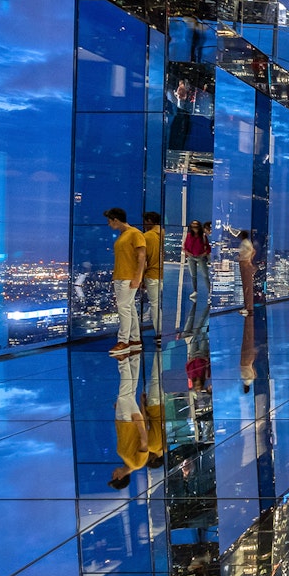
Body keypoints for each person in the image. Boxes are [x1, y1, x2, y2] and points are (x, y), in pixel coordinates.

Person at [105, 208, 146, 356]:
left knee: (123, 308)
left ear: (116, 219)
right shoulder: (123, 235)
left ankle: (123, 341)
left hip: (129, 277)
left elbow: (142, 257)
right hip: (121, 276)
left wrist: (138, 277)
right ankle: (135, 339)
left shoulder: (135, 233)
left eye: (110, 221)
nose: (109, 224)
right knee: (129, 308)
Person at [108, 352, 149, 489]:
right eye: (113, 476)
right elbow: (144, 442)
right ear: (119, 477)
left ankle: (134, 356)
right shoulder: (136, 464)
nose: (113, 473)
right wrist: (139, 424)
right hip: (128, 421)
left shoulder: (127, 460)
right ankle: (123, 359)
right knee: (124, 394)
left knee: (129, 391)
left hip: (126, 421)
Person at [142, 212, 163, 338]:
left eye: (145, 221)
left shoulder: (147, 236)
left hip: (152, 274)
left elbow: (144, 259)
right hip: (166, 275)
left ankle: (159, 333)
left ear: (149, 221)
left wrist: (141, 277)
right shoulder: (165, 233)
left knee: (155, 305)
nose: (144, 224)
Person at [184, 220, 211, 299]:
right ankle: (195, 291)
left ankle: (209, 291)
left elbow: (208, 248)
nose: (194, 229)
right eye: (193, 227)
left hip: (201, 257)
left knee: (205, 275)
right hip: (191, 257)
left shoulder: (203, 236)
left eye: (196, 227)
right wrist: (188, 253)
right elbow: (185, 246)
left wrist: (204, 254)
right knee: (193, 275)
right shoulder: (189, 236)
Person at [237, 230, 255, 315]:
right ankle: (247, 307)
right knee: (247, 286)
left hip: (245, 264)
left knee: (247, 286)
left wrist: (248, 260)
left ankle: (248, 308)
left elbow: (246, 253)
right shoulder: (247, 243)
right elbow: (253, 251)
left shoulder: (245, 243)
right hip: (246, 263)